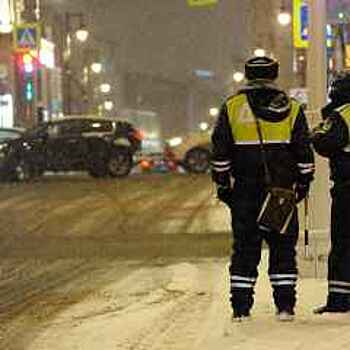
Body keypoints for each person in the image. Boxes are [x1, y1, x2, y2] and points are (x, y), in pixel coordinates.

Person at [211, 56, 315, 322]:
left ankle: (241, 309)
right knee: (282, 248)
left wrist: (223, 185)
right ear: (274, 75)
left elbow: (220, 153)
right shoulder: (291, 108)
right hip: (281, 191)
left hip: (245, 191)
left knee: (245, 248)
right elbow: (304, 152)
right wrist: (303, 184)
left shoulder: (232, 107)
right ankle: (285, 307)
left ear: (247, 75)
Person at [311, 72, 350, 314]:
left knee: (344, 242)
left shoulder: (343, 114)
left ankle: (340, 299)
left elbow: (324, 142)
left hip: (348, 188)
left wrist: (316, 132)